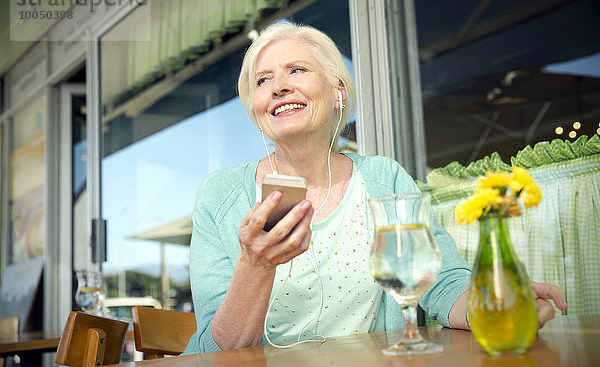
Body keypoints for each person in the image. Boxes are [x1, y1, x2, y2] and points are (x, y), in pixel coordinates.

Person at [183, 21, 567, 354]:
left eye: (296, 70)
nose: (278, 87)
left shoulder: (384, 178)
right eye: (263, 80)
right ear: (256, 109)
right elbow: (219, 347)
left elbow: (441, 282)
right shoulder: (220, 195)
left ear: (338, 93)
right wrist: (256, 264)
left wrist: (496, 306)